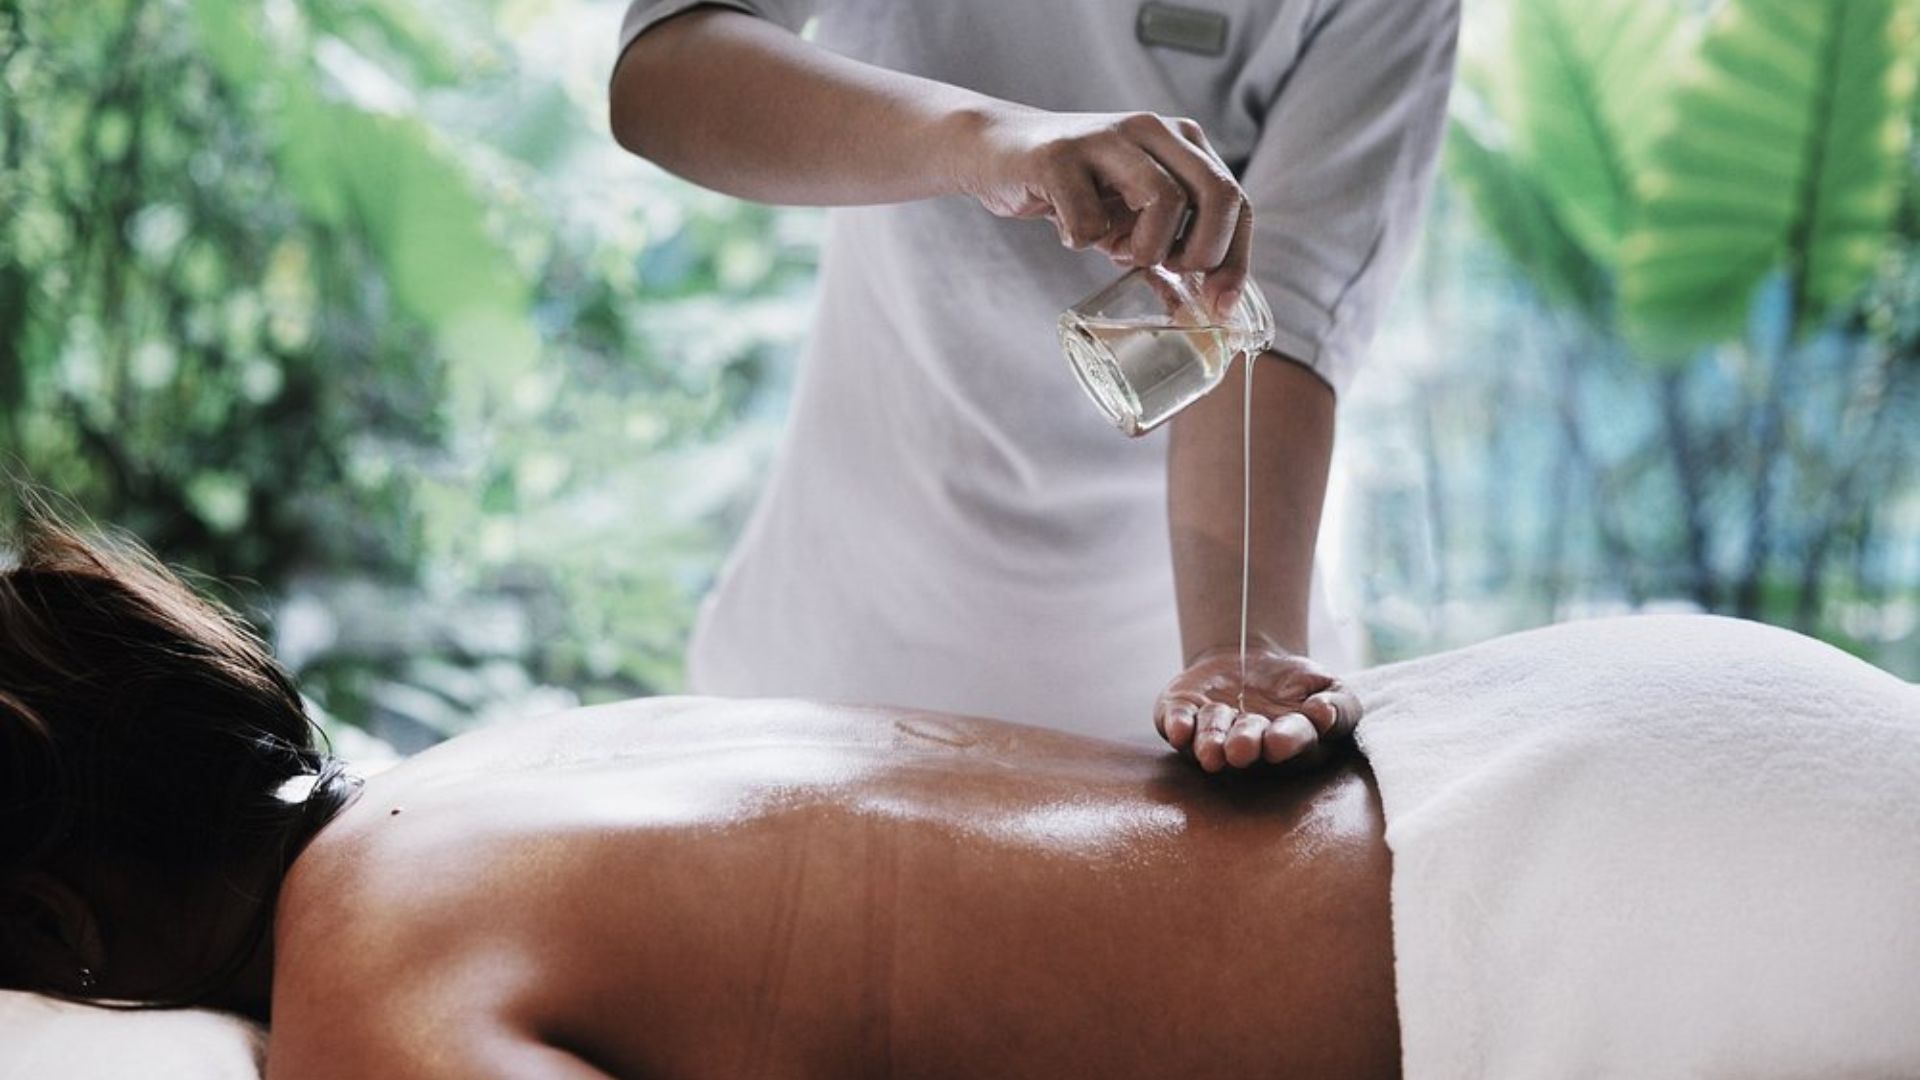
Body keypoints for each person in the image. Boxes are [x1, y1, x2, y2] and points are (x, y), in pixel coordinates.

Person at [6, 522, 1918, 1078]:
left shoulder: (372, 984)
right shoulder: (508, 763)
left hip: (1590, 940)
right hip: (1621, 728)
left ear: (57, 939)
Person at [606, 0, 1460, 768]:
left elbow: (1268, 326)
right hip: (830, 676)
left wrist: (1239, 654)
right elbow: (663, 69)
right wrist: (986, 141)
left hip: (1155, 725)